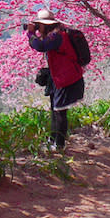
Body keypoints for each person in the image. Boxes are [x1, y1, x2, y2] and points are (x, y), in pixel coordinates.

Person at [26, 9, 85, 150]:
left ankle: (59, 144)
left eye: (39, 25)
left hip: (66, 79)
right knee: (54, 109)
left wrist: (30, 33)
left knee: (59, 111)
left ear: (46, 25)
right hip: (59, 77)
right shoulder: (55, 35)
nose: (38, 29)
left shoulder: (57, 36)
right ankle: (53, 140)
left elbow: (40, 46)